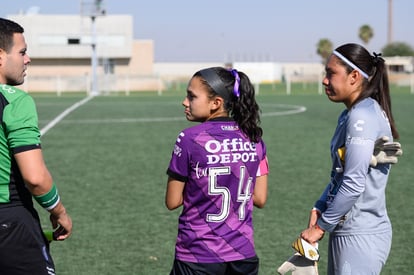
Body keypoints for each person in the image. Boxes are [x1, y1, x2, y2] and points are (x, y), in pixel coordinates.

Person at [300, 43, 400, 274]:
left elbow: (354, 182)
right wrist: (321, 205)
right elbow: (340, 174)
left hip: (360, 234)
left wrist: (320, 228)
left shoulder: (361, 116)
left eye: (331, 73)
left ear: (354, 76)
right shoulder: (350, 114)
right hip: (348, 230)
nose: (325, 80)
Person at [165, 66, 268, 275]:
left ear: (216, 103)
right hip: (243, 255)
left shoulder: (189, 139)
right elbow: (260, 198)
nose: (185, 102)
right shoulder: (255, 139)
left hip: (198, 254)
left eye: (191, 96)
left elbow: (172, 201)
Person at [0, 18, 72, 274]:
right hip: (10, 222)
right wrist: (59, 211)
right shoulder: (15, 101)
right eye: (21, 52)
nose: (27, 59)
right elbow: (35, 178)